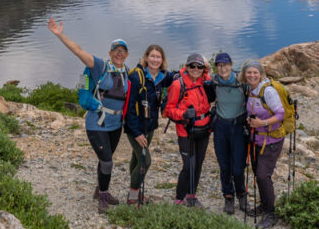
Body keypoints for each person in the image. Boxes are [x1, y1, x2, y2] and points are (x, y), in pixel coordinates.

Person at [47, 18, 130, 213]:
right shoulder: (99, 66)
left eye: (122, 51)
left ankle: (99, 189)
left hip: (116, 124)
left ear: (126, 55)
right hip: (97, 123)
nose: (119, 53)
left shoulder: (127, 72)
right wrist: (60, 35)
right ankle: (103, 196)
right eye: (116, 50)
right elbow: (78, 50)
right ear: (110, 53)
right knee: (107, 161)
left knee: (105, 160)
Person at [163, 51, 213, 208]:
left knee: (198, 164)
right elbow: (168, 109)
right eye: (192, 66)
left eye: (199, 66)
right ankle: (179, 198)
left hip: (204, 129)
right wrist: (183, 114)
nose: (196, 69)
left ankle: (192, 196)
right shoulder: (178, 85)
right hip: (186, 131)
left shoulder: (206, 81)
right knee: (188, 165)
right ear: (187, 66)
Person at [124, 44, 172, 205]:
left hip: (150, 126)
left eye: (158, 57)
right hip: (135, 128)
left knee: (137, 157)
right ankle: (133, 195)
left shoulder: (162, 77)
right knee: (145, 161)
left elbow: (181, 76)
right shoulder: (136, 77)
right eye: (152, 56)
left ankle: (133, 190)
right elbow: (129, 107)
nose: (155, 60)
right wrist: (136, 132)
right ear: (146, 57)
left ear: (162, 60)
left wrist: (204, 68)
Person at [244, 58, 286, 227]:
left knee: (263, 175)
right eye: (249, 72)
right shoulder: (250, 89)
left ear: (261, 74)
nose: (252, 75)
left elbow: (280, 114)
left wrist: (263, 123)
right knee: (258, 174)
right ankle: (264, 204)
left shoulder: (268, 91)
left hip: (272, 140)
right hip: (257, 139)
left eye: (255, 72)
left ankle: (270, 213)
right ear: (245, 74)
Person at [210, 51, 250, 215]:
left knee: (238, 167)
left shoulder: (242, 82)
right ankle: (228, 196)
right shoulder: (214, 81)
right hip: (220, 126)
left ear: (231, 65)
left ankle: (241, 194)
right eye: (219, 65)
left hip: (238, 127)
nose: (222, 68)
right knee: (224, 165)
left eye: (225, 65)